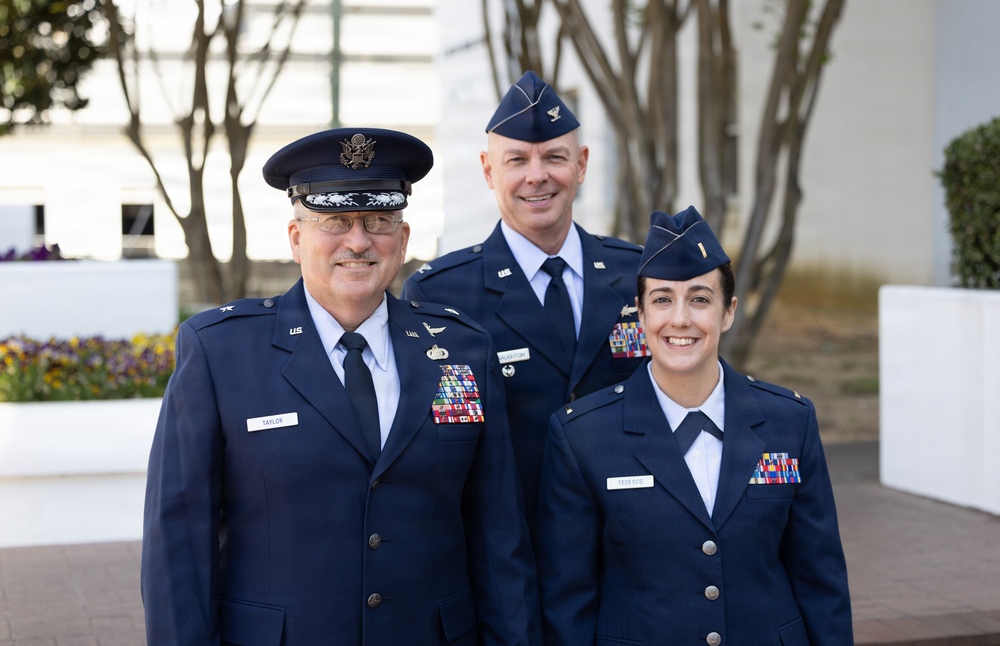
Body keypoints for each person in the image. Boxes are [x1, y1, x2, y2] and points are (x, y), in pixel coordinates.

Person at [141, 127, 540, 645]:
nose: (358, 241)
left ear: (403, 238)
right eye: (335, 221)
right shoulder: (221, 352)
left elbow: (498, 535)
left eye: (378, 220)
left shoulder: (464, 351)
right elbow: (178, 544)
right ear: (296, 238)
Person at [534, 207, 853, 645]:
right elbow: (568, 601)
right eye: (662, 299)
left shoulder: (789, 423)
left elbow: (821, 580)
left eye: (700, 299)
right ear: (641, 316)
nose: (680, 319)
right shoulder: (583, 437)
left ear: (728, 312)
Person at [402, 71, 646, 530]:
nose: (537, 176)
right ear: (488, 170)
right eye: (516, 160)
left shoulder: (639, 277)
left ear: (582, 164)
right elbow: (447, 446)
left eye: (555, 156)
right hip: (511, 542)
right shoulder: (441, 295)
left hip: (629, 540)